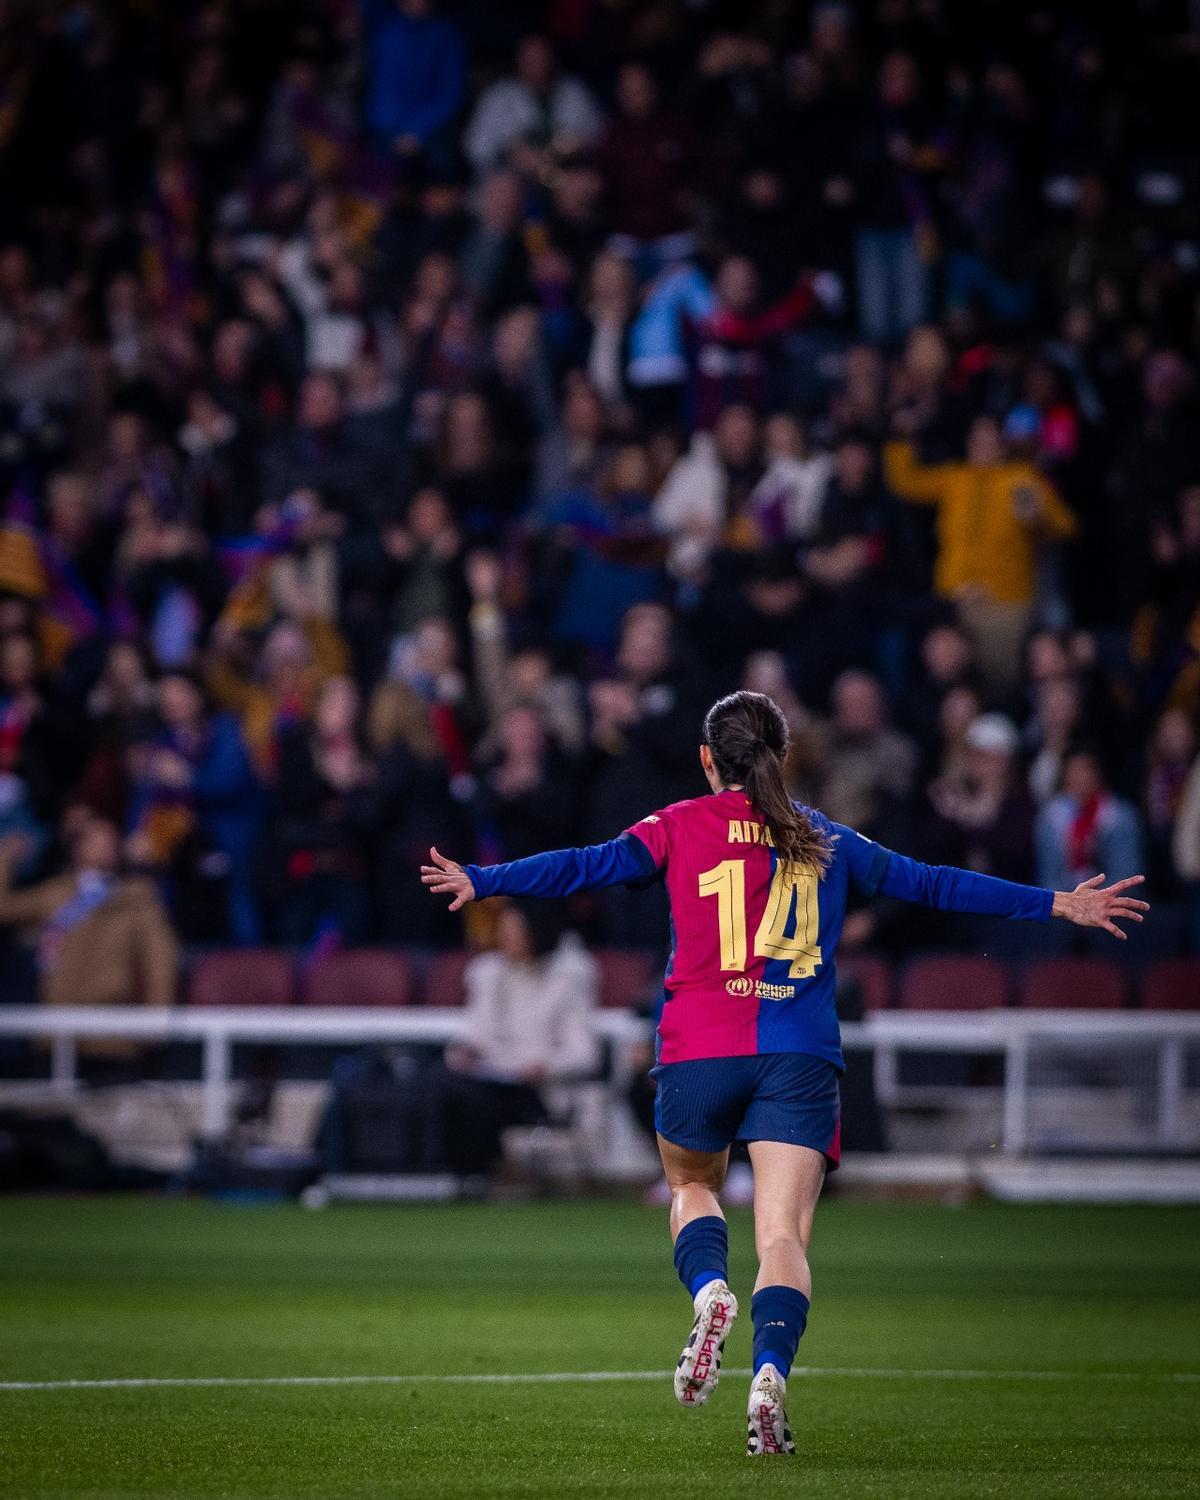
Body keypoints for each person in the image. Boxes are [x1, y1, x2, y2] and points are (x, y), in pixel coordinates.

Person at [421, 689, 1148, 1457]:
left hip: (700, 1048)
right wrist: (1058, 903)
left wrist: (486, 877)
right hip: (798, 1057)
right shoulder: (825, 836)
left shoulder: (674, 825)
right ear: (783, 755)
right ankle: (769, 1375)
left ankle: (707, 1292)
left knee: (693, 1187)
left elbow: (585, 867)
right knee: (782, 1237)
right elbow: (936, 883)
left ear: (708, 759)